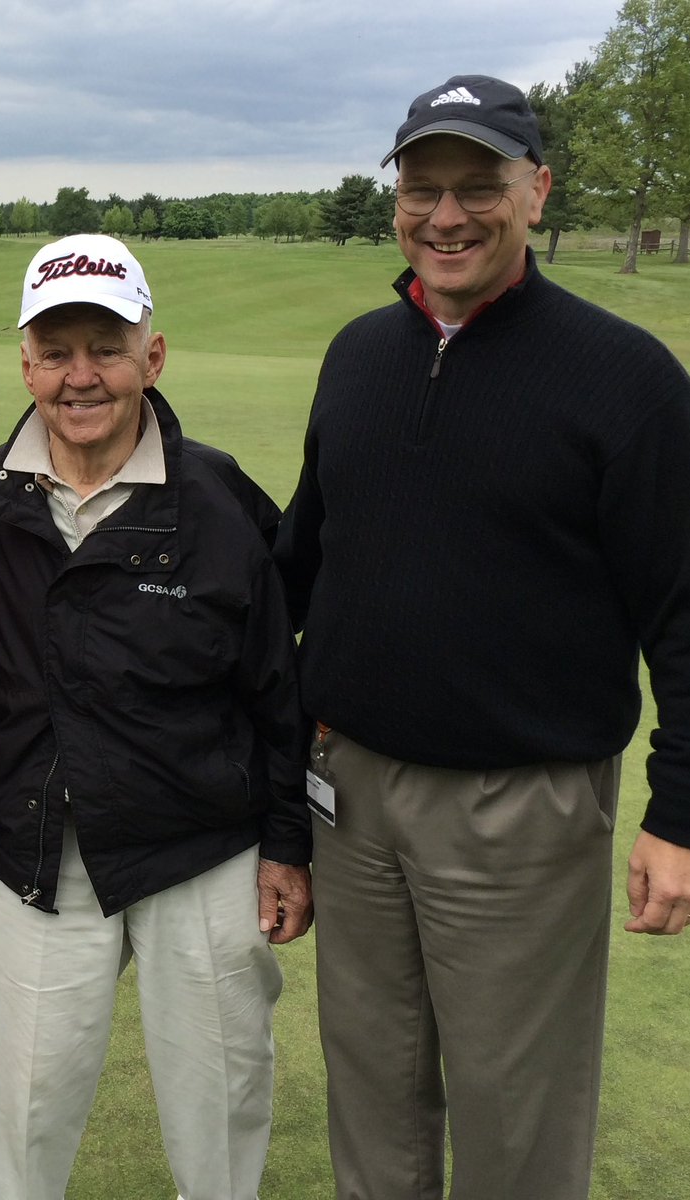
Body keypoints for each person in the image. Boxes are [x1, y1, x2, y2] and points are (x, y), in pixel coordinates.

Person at [274, 74, 690, 1200]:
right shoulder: (360, 353)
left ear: (537, 192)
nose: (446, 215)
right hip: (351, 795)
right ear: (396, 201)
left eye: (478, 186)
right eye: (422, 188)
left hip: (521, 808)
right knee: (372, 1088)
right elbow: (303, 563)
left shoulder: (627, 380)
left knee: (516, 1114)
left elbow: (684, 614)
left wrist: (681, 813)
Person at [0, 233, 312, 1200]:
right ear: (25, 362)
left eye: (106, 348)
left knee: (219, 1097)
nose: (83, 376)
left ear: (151, 357)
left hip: (200, 848)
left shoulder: (219, 496)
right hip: (41, 848)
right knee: (18, 1105)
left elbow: (277, 690)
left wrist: (287, 842)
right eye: (57, 350)